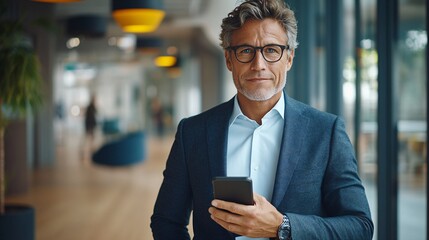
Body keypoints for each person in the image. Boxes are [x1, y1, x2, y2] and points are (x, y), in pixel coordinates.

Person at [151, 0, 374, 239]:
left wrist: (283, 226)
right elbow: (167, 221)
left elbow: (359, 226)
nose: (259, 65)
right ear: (229, 59)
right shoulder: (192, 132)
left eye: (271, 50)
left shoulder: (326, 132)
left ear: (288, 58)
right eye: (246, 51)